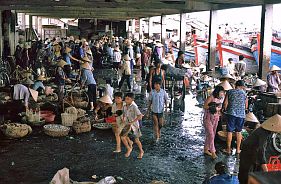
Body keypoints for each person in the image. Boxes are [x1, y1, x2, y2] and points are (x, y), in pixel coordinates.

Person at [239, 114, 281, 184]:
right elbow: (261, 151)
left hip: (254, 150)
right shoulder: (263, 133)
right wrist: (265, 168)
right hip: (248, 150)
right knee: (246, 172)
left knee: (255, 169)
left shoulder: (269, 132)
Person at [223, 80, 248, 155]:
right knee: (238, 131)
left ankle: (228, 149)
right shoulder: (244, 94)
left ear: (235, 85)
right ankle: (237, 149)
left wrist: (224, 109)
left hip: (231, 114)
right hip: (241, 115)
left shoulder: (230, 92)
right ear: (242, 86)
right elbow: (246, 106)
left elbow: (225, 103)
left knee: (229, 131)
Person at [203, 86, 225, 159]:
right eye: (221, 92)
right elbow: (205, 106)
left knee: (210, 134)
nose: (222, 93)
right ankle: (213, 152)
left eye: (223, 92)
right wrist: (212, 107)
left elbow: (220, 108)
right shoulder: (211, 97)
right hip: (208, 118)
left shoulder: (221, 99)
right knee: (211, 135)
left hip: (216, 118)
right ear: (217, 91)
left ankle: (206, 149)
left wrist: (218, 109)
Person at [121, 93, 144, 159]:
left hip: (134, 126)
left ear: (132, 100)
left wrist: (132, 122)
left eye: (128, 99)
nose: (126, 100)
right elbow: (124, 114)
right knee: (123, 137)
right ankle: (129, 148)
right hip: (127, 125)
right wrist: (123, 119)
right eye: (125, 99)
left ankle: (141, 151)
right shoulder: (124, 106)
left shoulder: (134, 107)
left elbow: (140, 116)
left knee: (136, 140)